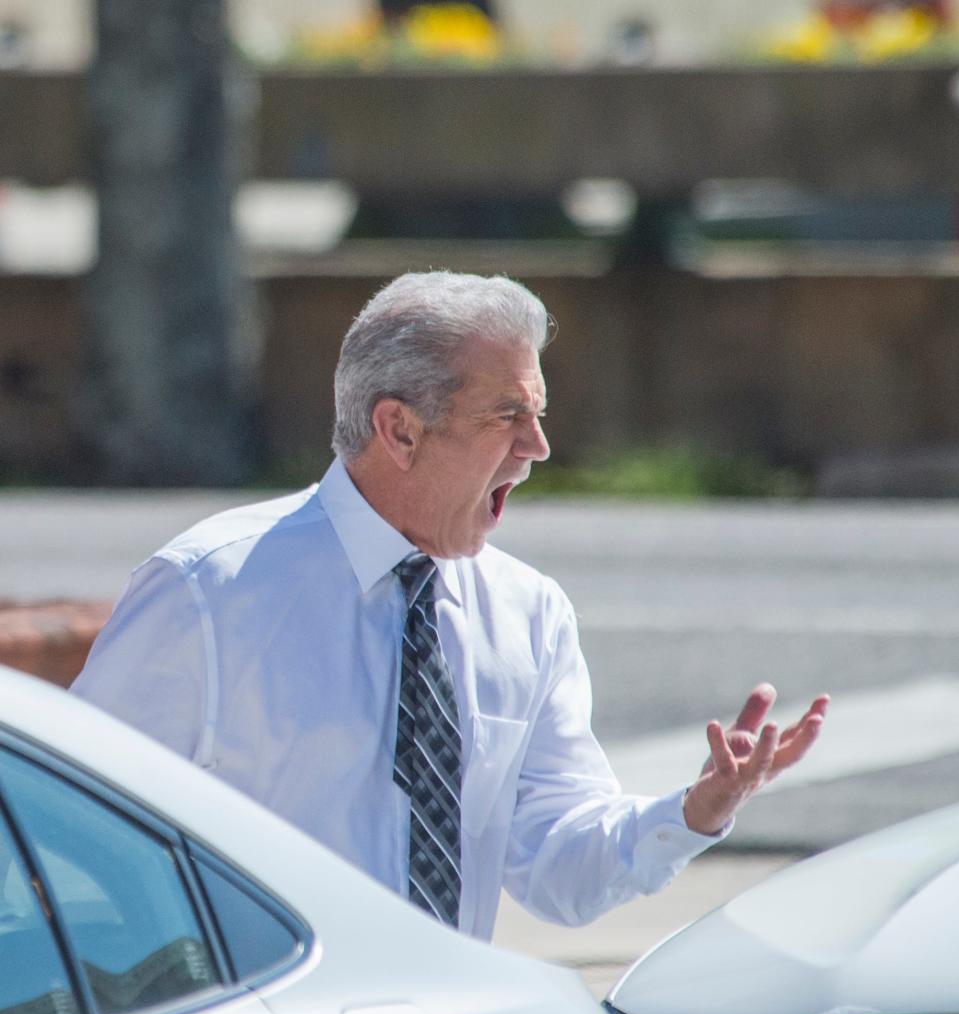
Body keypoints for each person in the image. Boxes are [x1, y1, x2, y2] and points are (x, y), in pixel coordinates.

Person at [72, 272, 828, 939]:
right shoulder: (209, 592)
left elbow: (558, 870)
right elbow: (77, 830)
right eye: (507, 416)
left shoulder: (527, 613)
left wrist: (691, 813)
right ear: (399, 428)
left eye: (537, 414)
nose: (538, 447)